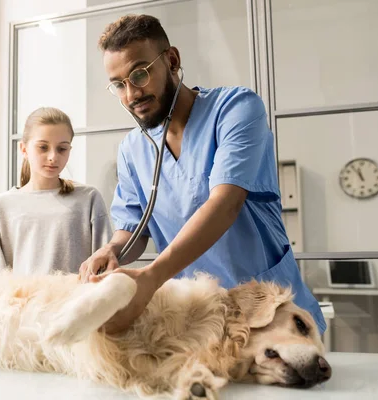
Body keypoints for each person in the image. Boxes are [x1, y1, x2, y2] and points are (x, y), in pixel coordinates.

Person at [78, 14, 326, 335]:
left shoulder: (235, 109)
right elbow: (134, 228)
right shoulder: (132, 149)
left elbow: (225, 203)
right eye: (118, 84)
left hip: (271, 310)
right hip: (201, 321)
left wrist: (153, 276)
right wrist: (112, 250)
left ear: (172, 60)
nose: (131, 95)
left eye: (139, 74)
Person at [0, 107, 113, 276]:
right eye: (43, 147)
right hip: (23, 302)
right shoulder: (4, 204)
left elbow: (105, 266)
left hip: (78, 300)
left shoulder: (88, 199)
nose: (53, 157)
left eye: (62, 149)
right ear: (24, 149)